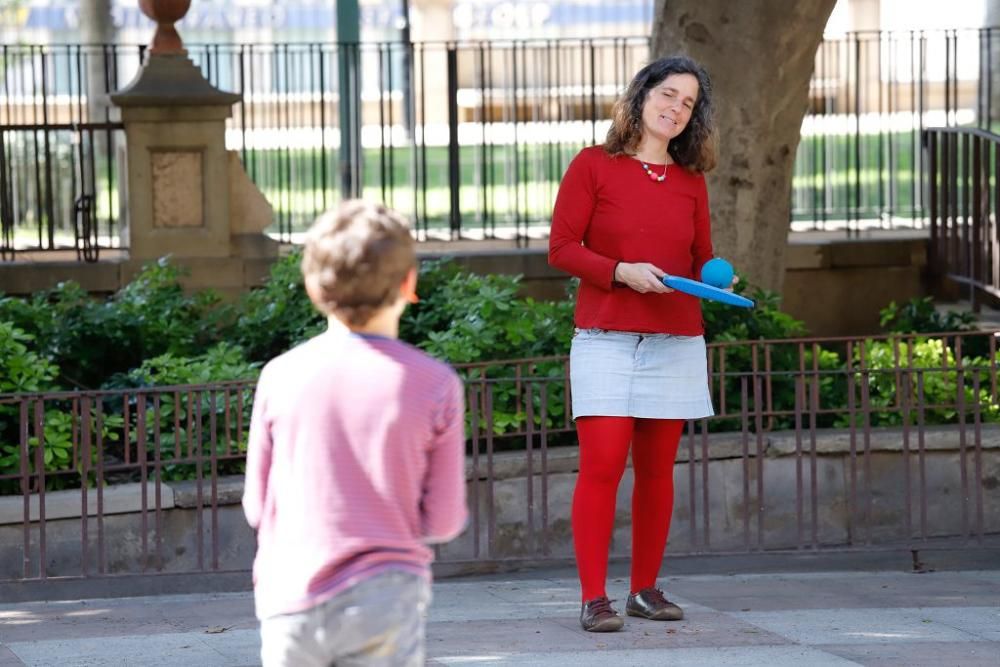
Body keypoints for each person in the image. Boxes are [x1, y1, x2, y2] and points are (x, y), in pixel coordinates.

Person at [242, 200, 468, 665]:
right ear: (408, 283)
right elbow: (443, 520)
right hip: (385, 593)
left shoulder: (280, 375)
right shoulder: (434, 383)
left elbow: (256, 506)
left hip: (291, 591)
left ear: (313, 286)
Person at [548, 55, 720, 633]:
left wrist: (720, 276)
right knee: (601, 464)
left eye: (688, 103)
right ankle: (594, 597)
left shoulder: (691, 181)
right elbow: (562, 248)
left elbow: (699, 259)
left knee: (658, 470)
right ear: (642, 96)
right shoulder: (593, 166)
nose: (675, 108)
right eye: (668, 94)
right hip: (605, 337)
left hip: (676, 337)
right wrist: (620, 270)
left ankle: (644, 590)